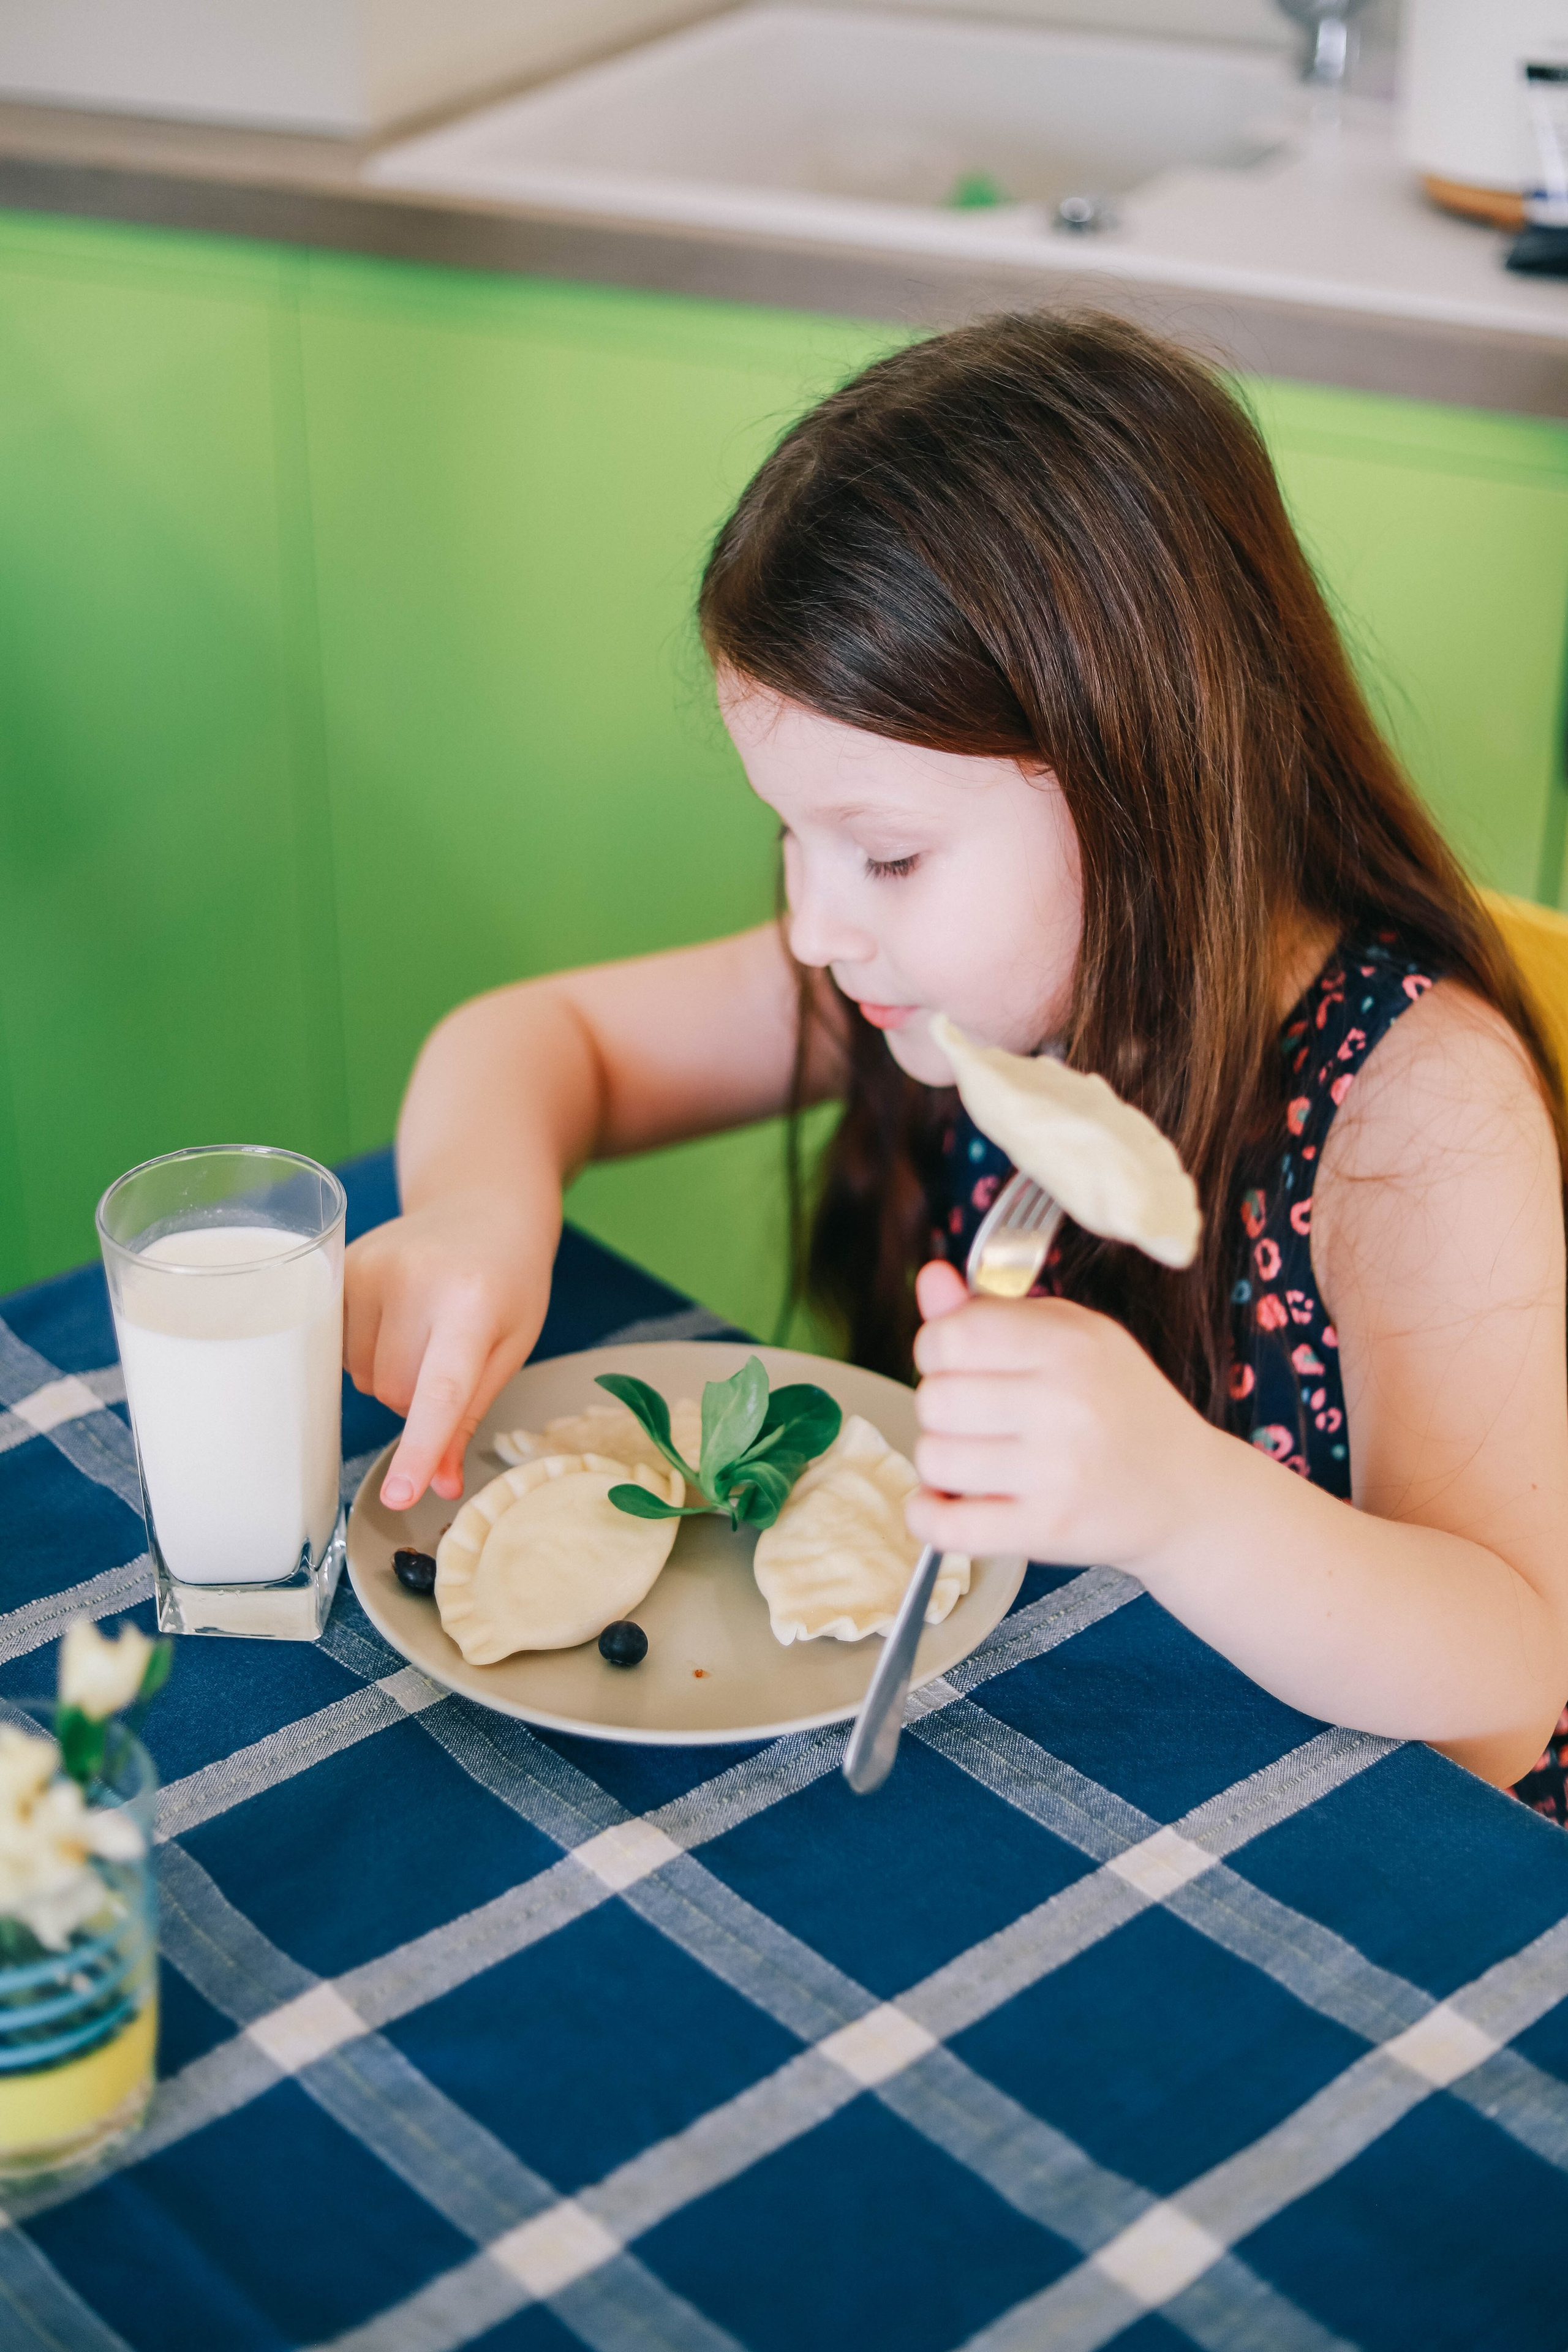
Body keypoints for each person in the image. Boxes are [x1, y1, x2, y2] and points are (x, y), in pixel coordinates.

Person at [345, 311, 1568, 1809]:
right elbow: (542, 1043)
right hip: (1040, 1766)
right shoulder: (943, 991)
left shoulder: (1414, 1120)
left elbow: (1514, 1676)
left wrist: (1181, 1505)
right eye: (791, 836)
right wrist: (479, 1214)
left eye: (885, 852)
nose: (809, 925)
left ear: (1146, 780)